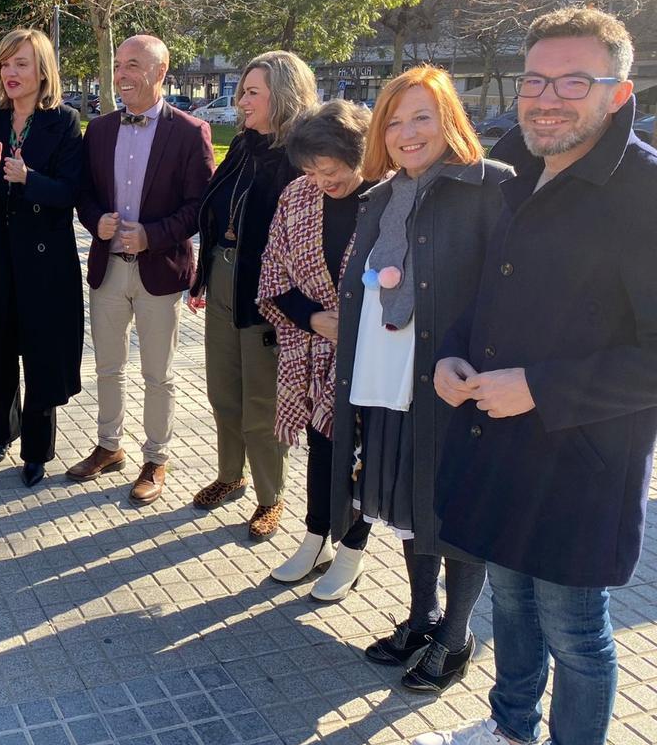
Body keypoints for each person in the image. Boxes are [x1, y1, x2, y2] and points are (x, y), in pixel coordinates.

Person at [418, 9, 657, 745]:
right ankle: (510, 729)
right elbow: (489, 290)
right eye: (536, 79)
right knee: (511, 606)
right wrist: (451, 355)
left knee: (575, 633)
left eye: (574, 81)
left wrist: (541, 389)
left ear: (618, 94)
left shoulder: (643, 193)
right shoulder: (515, 159)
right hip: (497, 442)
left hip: (581, 462)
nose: (548, 97)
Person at [330, 65, 513, 694]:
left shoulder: (492, 187)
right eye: (395, 120)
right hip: (389, 384)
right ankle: (421, 618)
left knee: (454, 511)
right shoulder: (381, 196)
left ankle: (456, 637)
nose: (407, 133)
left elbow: (508, 292)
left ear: (450, 121)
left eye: (422, 117)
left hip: (453, 385)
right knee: (410, 509)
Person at [69, 35, 214, 504]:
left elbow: (200, 207)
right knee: (108, 367)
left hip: (160, 271)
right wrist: (97, 221)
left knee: (159, 374)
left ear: (160, 71)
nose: (121, 74)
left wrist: (153, 234)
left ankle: (157, 457)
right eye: (116, 65)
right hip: (108, 268)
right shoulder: (101, 129)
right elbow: (84, 195)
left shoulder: (190, 132)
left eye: (132, 64)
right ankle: (109, 447)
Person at [186, 51, 317, 540]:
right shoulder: (242, 145)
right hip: (223, 277)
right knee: (223, 391)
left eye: (252, 92)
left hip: (266, 295)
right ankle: (228, 474)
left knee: (261, 402)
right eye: (242, 91)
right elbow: (217, 216)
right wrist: (203, 277)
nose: (242, 101)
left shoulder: (297, 158)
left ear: (282, 96)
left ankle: (270, 495)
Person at [257, 100, 378, 599]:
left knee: (363, 455)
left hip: (375, 354)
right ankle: (315, 537)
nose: (322, 179)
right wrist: (312, 318)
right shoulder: (298, 196)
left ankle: (352, 549)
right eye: (311, 169)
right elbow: (272, 274)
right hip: (313, 352)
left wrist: (354, 323)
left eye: (331, 169)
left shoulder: (389, 199)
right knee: (323, 446)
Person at [0, 28, 84, 488]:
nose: (11, 73)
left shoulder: (65, 121)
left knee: (41, 352)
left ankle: (36, 449)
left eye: (21, 64)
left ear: (42, 70)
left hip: (45, 260)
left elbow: (71, 192)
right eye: (6, 64)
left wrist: (28, 178)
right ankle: (0, 433)